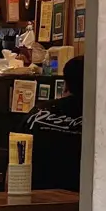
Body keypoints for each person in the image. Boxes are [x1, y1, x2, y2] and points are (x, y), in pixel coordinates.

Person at [28, 56, 84, 192]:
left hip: (35, 195)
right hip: (79, 198)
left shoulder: (38, 112)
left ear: (65, 84)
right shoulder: (100, 118)